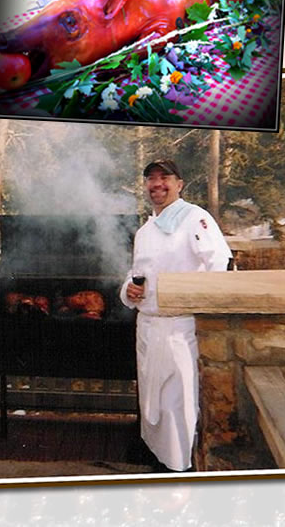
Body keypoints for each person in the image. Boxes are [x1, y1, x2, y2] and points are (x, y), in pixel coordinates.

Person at [120, 159, 231, 472]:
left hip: (178, 326)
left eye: (164, 178)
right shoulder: (145, 230)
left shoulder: (195, 218)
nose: (157, 184)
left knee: (177, 401)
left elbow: (218, 263)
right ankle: (156, 456)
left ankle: (179, 467)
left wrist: (202, 306)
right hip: (148, 326)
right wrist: (128, 289)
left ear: (179, 183)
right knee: (152, 400)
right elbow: (136, 272)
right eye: (150, 179)